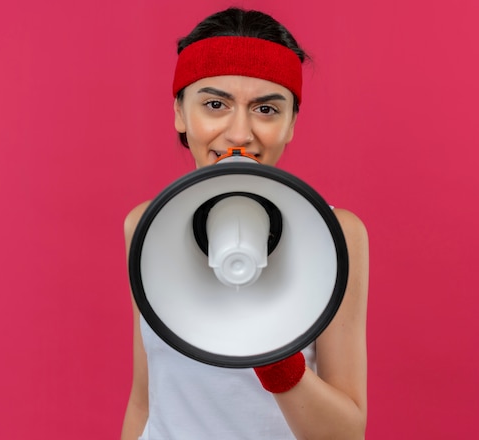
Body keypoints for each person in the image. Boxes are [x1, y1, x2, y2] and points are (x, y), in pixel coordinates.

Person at [121, 7, 369, 440]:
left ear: (292, 122)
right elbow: (145, 400)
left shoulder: (337, 237)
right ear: (180, 113)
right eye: (215, 104)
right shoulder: (144, 227)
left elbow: (345, 433)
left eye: (267, 109)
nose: (239, 133)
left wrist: (273, 356)